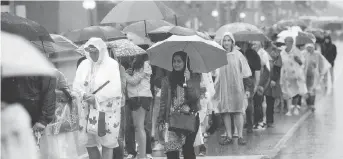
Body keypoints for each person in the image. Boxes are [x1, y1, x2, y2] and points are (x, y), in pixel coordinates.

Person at [73, 37, 122, 159]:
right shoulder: (84, 65)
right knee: (89, 143)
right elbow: (76, 85)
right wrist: (84, 94)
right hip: (86, 110)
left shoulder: (111, 64)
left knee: (107, 143)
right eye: (90, 52)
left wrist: (96, 98)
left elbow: (115, 88)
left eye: (96, 51)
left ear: (102, 50)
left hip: (106, 111)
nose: (93, 54)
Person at [158, 51, 201, 159]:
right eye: (174, 61)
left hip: (189, 119)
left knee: (188, 151)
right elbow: (163, 102)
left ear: (185, 63)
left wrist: (189, 80)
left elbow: (195, 96)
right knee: (171, 153)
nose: (176, 64)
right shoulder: (167, 80)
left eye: (179, 61)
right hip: (172, 120)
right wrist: (160, 120)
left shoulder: (193, 77)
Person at [212, 32, 251, 145]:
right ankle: (229, 135)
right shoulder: (219, 55)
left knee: (238, 111)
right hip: (222, 88)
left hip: (236, 87)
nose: (226, 43)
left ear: (232, 42)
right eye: (224, 40)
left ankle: (240, 136)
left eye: (229, 40)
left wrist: (247, 89)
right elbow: (214, 72)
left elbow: (246, 73)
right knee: (225, 112)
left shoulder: (238, 55)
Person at [125, 54, 153, 159]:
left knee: (140, 127)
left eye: (135, 57)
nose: (133, 59)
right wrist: (129, 73)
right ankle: (142, 154)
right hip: (136, 97)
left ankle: (142, 155)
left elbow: (134, 81)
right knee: (138, 127)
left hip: (140, 97)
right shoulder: (138, 66)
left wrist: (124, 74)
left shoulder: (145, 64)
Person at [279, 37, 307, 116]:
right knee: (287, 92)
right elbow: (281, 63)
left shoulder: (297, 52)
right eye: (286, 41)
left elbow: (302, 63)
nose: (287, 43)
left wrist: (298, 60)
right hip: (286, 75)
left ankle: (295, 107)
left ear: (292, 42)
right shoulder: (282, 52)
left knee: (295, 92)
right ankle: (289, 110)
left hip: (295, 75)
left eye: (288, 41)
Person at [238, 41, 262, 132]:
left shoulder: (253, 54)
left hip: (249, 80)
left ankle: (249, 124)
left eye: (244, 43)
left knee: (248, 103)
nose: (243, 45)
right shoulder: (237, 53)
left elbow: (257, 70)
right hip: (238, 80)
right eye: (241, 43)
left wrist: (256, 84)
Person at [303, 43, 331, 111]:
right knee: (306, 90)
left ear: (313, 47)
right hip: (305, 74)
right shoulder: (303, 53)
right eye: (308, 48)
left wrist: (321, 72)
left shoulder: (317, 54)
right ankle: (308, 104)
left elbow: (322, 62)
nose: (309, 49)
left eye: (310, 47)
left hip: (314, 75)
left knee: (313, 89)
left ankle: (312, 104)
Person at [263, 46, 282, 128]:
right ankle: (268, 121)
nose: (273, 53)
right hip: (267, 84)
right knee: (269, 103)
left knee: (271, 103)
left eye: (275, 52)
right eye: (272, 51)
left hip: (273, 85)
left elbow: (277, 71)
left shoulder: (278, 60)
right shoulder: (268, 60)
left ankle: (269, 121)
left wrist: (273, 80)